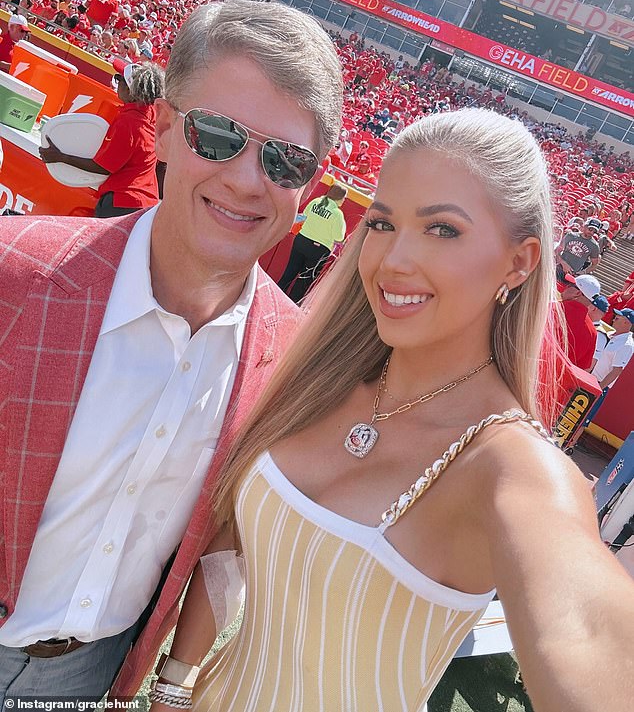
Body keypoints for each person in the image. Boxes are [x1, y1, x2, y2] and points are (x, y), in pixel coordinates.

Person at [160, 110, 634, 712]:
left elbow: (587, 633)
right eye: (383, 223)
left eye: (442, 230)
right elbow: (230, 541)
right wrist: (172, 686)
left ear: (519, 262)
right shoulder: (318, 380)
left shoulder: (513, 467)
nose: (393, 261)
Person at [0, 0, 342, 703]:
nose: (246, 179)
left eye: (284, 160)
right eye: (217, 135)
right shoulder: (14, 268)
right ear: (161, 130)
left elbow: (228, 539)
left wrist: (175, 683)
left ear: (309, 186)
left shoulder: (293, 362)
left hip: (86, 673)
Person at [39, 61, 164, 217]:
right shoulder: (151, 114)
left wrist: (61, 157)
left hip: (123, 202)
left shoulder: (130, 122)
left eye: (119, 79)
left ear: (130, 90)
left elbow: (104, 167)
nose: (116, 83)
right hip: (145, 202)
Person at [277, 183, 347, 303]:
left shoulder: (316, 201)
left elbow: (305, 215)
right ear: (340, 197)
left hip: (301, 241)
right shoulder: (337, 213)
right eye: (344, 198)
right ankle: (291, 305)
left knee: (289, 272)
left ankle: (275, 297)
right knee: (304, 281)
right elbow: (339, 237)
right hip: (318, 250)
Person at [559, 273, 600, 372]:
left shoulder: (554, 309)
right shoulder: (593, 332)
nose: (566, 287)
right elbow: (583, 367)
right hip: (558, 379)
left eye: (570, 285)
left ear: (577, 293)